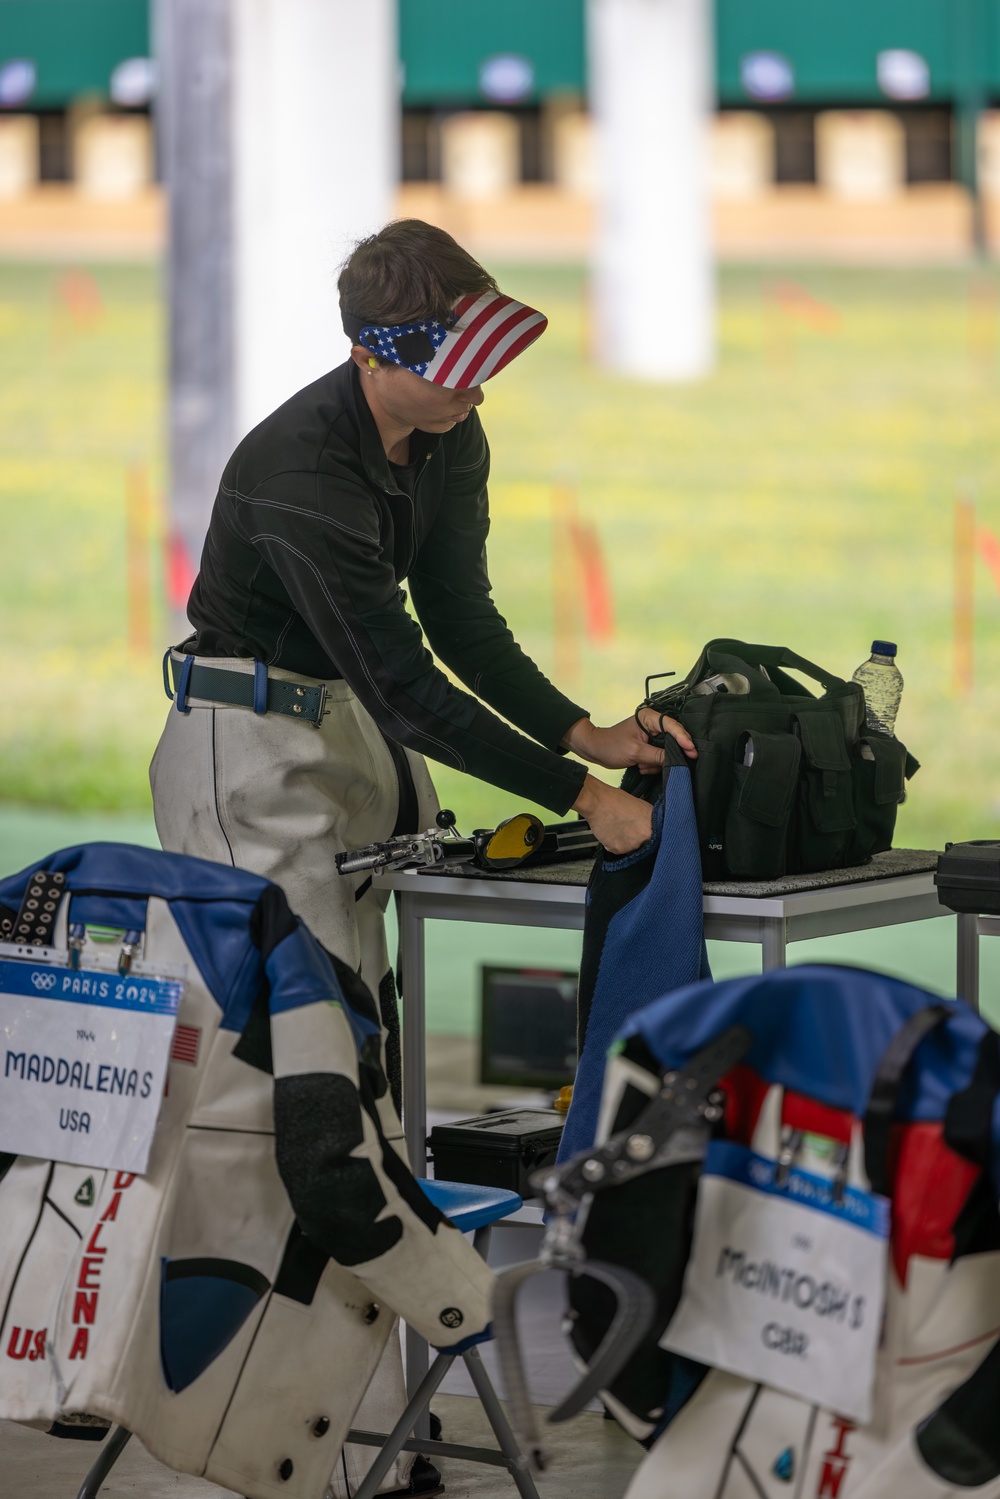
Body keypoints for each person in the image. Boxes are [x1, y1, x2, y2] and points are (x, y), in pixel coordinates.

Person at [150, 217, 694, 1497]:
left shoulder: (450, 433)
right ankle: (257, 1427)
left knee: (365, 1084)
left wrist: (584, 730)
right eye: (456, 362)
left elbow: (462, 619)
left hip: (346, 749)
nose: (479, 385)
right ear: (370, 351)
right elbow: (405, 682)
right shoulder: (298, 467)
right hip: (247, 753)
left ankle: (360, 1432)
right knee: (297, 1092)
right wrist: (579, 794)